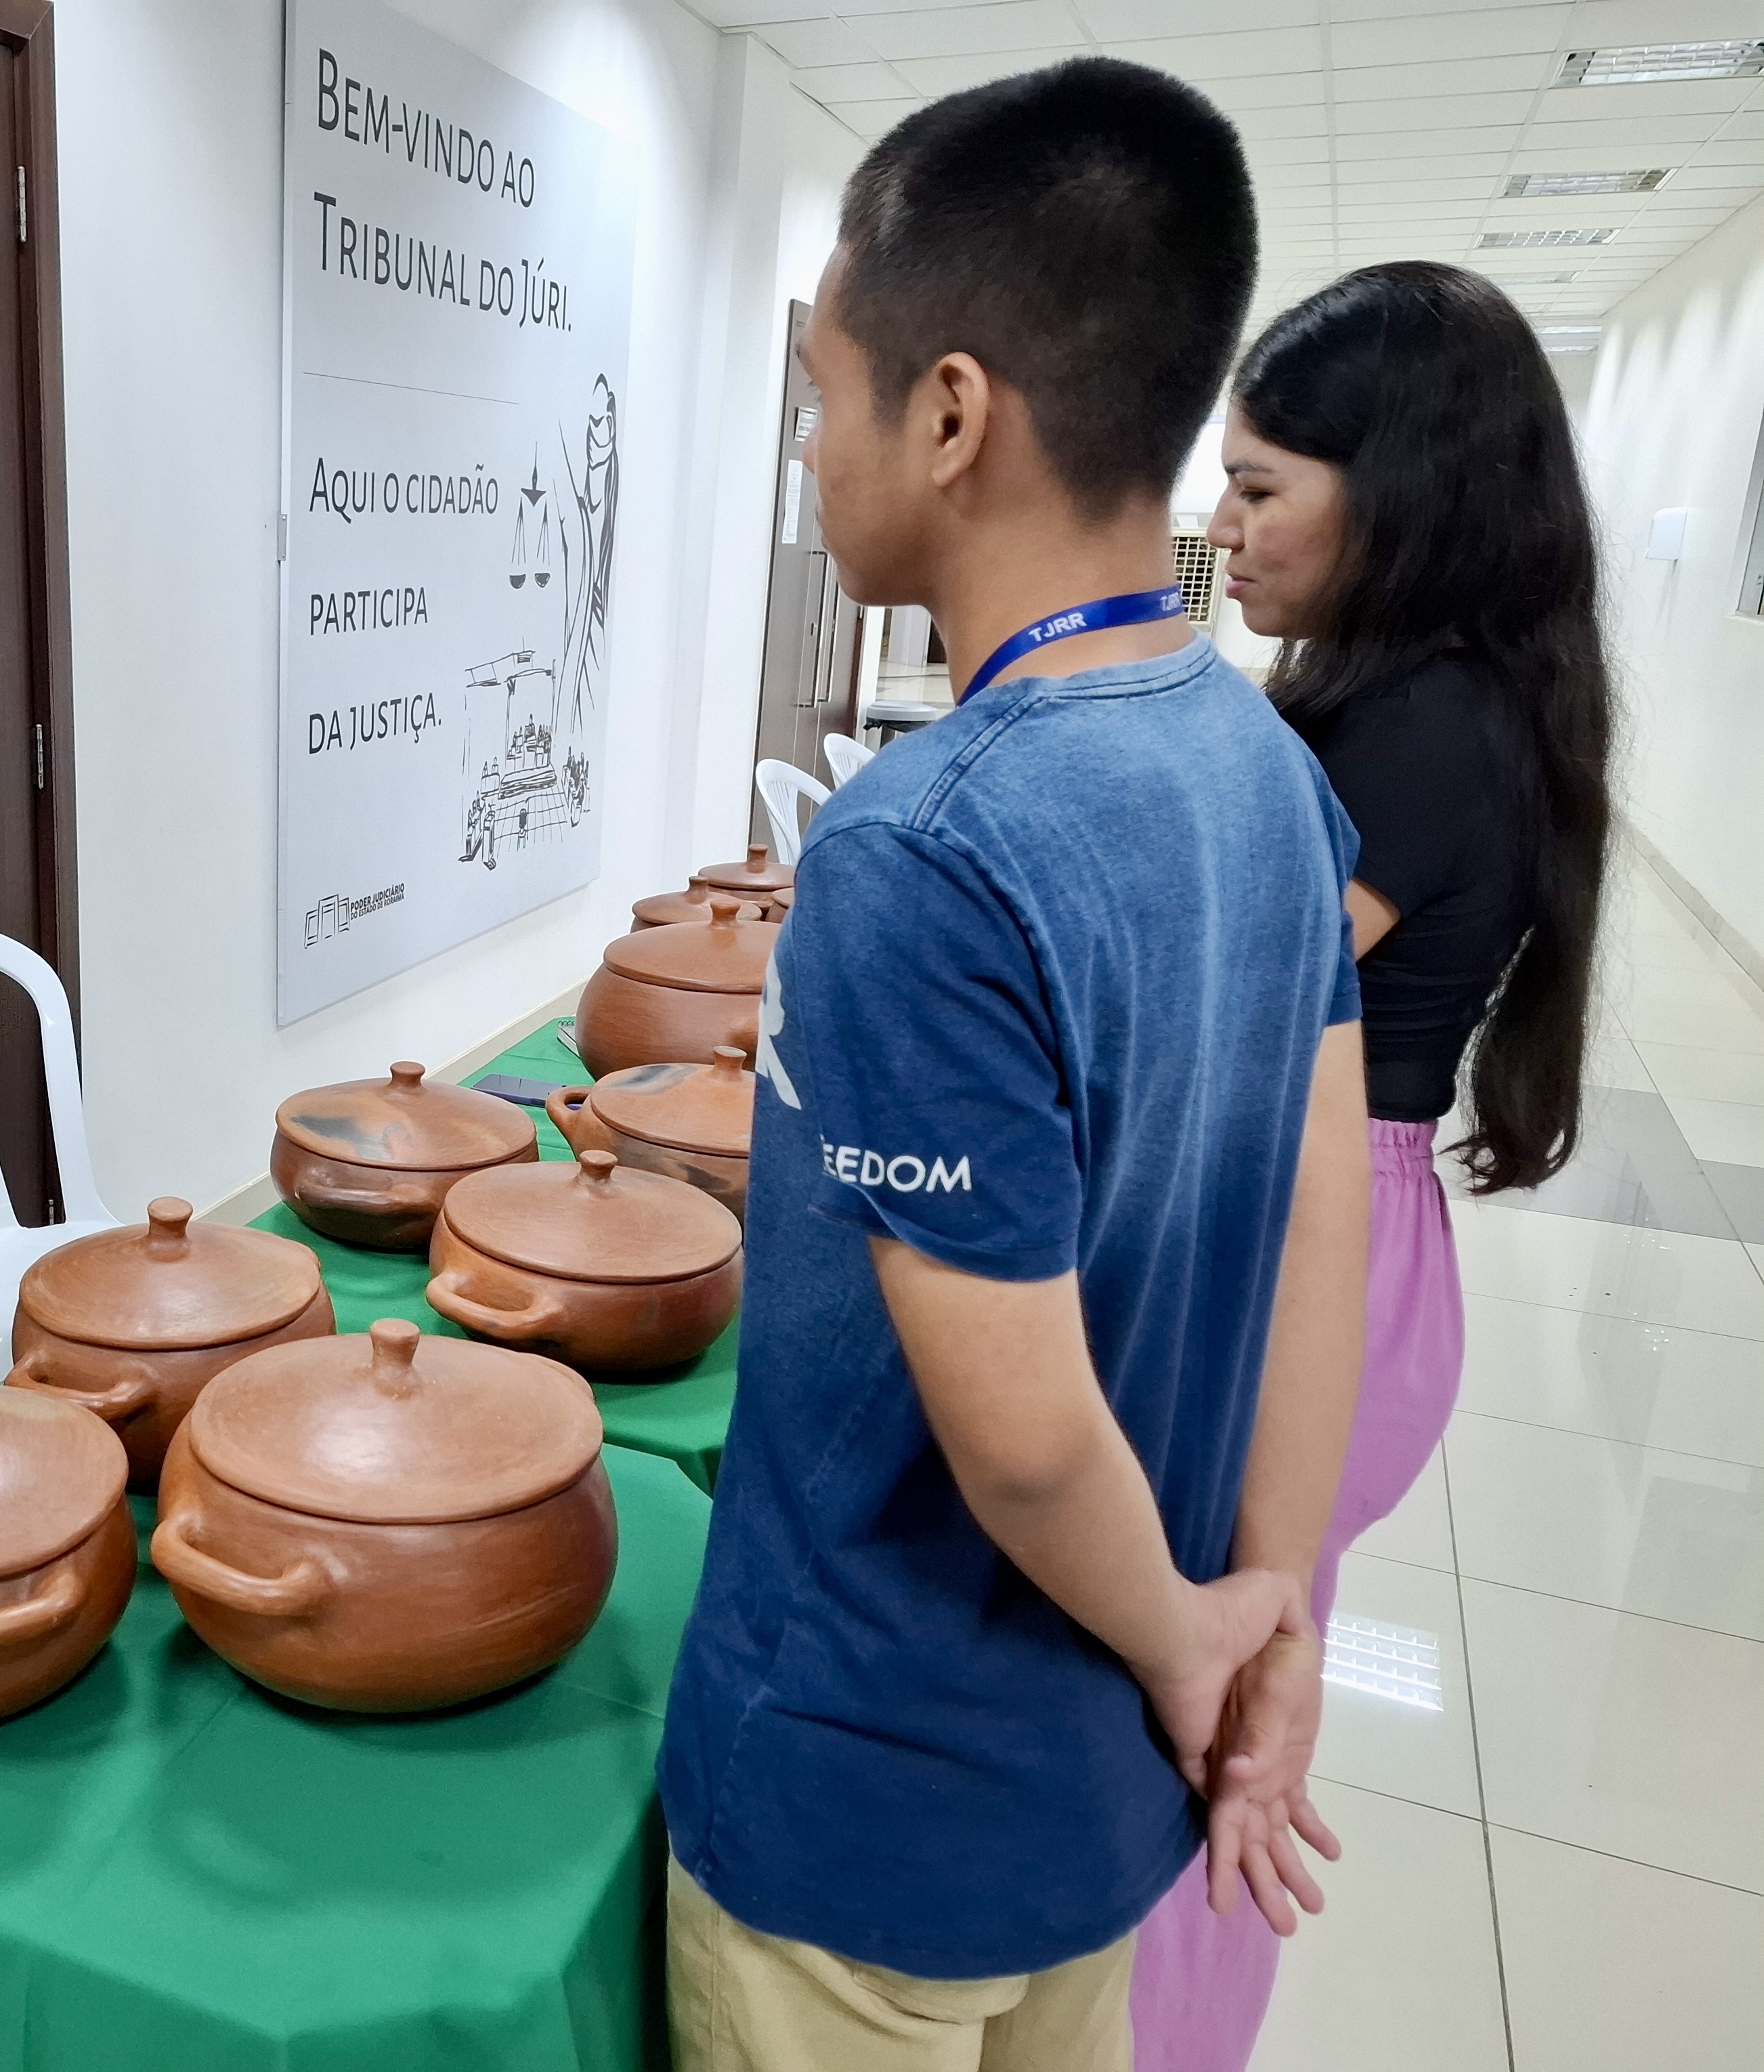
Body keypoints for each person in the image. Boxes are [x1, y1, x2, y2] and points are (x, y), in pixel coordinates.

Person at [658, 59, 1373, 2072]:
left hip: (869, 1820)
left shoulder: (925, 846)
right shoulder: (1269, 774)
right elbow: (1332, 1228)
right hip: (1097, 1802)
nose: (808, 448)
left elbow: (1027, 1437)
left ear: (951, 410)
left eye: (821, 389)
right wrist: (1262, 1613)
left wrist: (1188, 1645)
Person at [1130, 262, 1613, 2070]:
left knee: (1208, 1721)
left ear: (1395, 499)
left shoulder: (1423, 728)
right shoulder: (1408, 694)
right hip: (1328, 1223)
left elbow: (1211, 1008)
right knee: (1229, 1681)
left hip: (1306, 1244)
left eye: (1260, 490)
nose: (1224, 527)